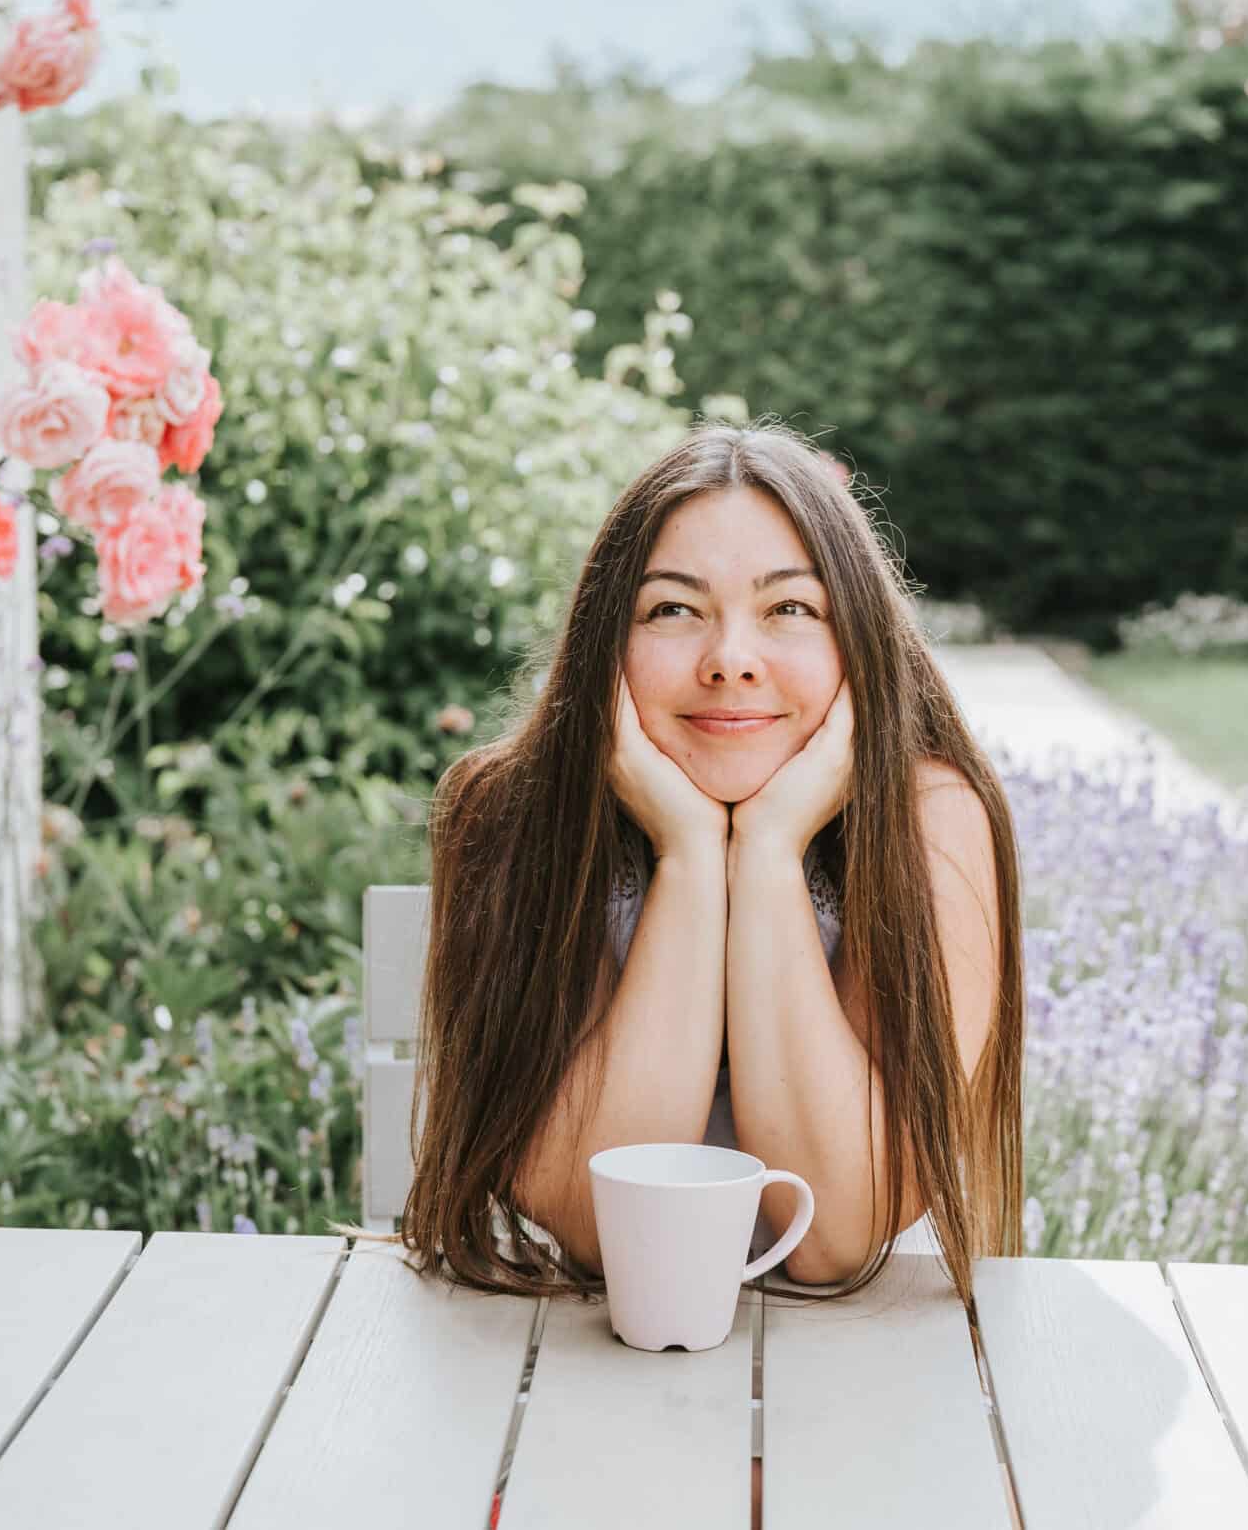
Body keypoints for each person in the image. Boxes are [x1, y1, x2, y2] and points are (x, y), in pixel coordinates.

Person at [333, 420, 1026, 1525]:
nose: (729, 659)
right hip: (548, 1389)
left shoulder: (933, 821)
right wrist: (693, 856)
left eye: (789, 609)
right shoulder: (509, 820)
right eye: (672, 609)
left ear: (856, 642)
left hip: (868, 1410)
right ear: (607, 642)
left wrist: (772, 846)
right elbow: (601, 1232)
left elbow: (840, 1236)